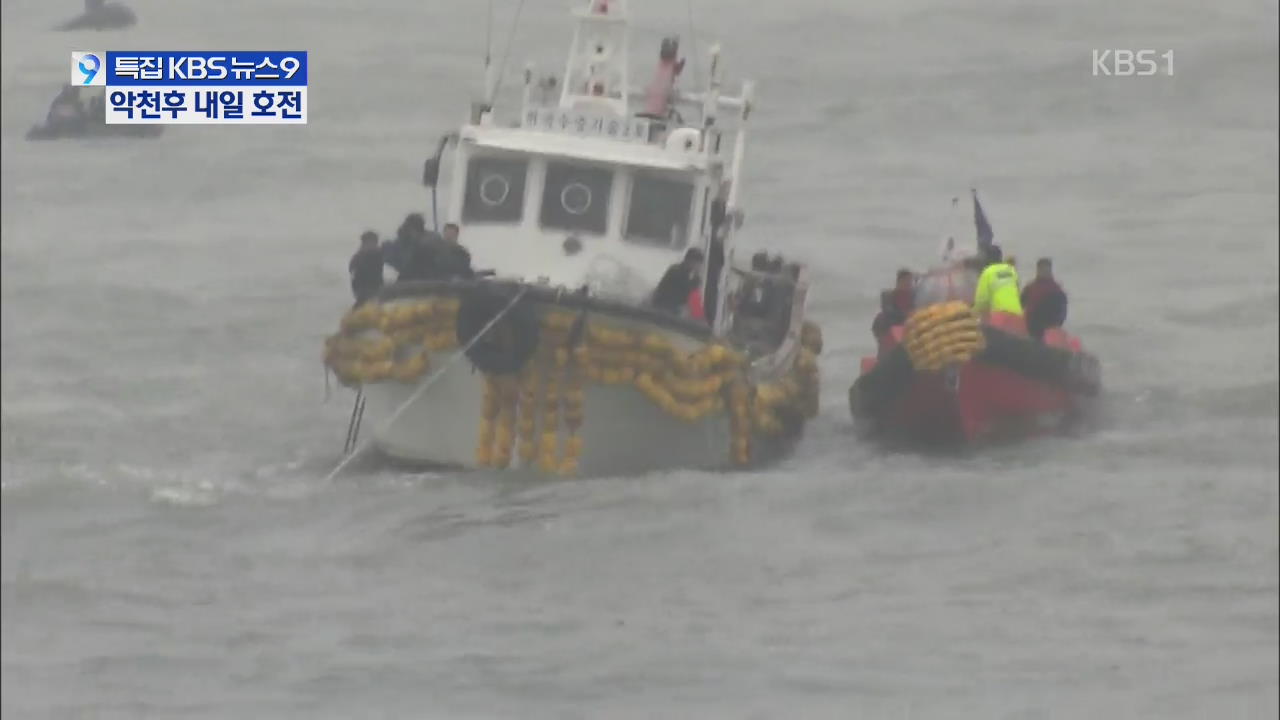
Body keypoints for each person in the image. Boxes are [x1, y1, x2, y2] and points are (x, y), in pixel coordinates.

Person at [1021, 257, 1068, 340]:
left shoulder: (1056, 290)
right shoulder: (1030, 288)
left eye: (1047, 269)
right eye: (1042, 269)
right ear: (1038, 270)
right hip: (1032, 329)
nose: (1044, 272)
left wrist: (1056, 325)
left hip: (1050, 330)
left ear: (1050, 270)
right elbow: (1021, 305)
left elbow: (1062, 312)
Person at [972, 244, 1023, 317]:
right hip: (1018, 315)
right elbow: (1017, 293)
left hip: (1000, 317)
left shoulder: (987, 273)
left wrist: (972, 314)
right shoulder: (1011, 270)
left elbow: (981, 302)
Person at [652, 247, 704, 315]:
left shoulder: (690, 275)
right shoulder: (675, 271)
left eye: (699, 264)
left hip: (672, 309)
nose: (698, 266)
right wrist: (696, 279)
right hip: (663, 307)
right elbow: (684, 291)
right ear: (689, 261)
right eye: (696, 263)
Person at [348, 231, 384, 306]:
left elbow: (351, 270)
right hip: (369, 288)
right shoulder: (377, 252)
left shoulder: (359, 255)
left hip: (365, 289)